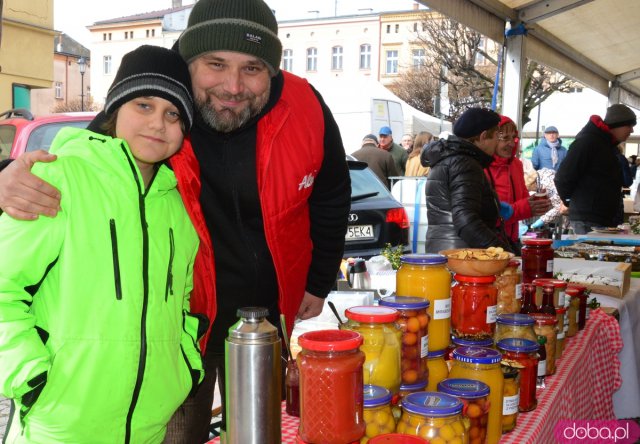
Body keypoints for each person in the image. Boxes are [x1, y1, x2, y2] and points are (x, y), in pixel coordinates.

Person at [0, 1, 351, 442]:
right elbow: (93, 147)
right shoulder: (164, 105)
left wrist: (318, 282)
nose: (233, 86)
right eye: (215, 64)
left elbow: (333, 193)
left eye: (253, 68)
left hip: (265, 318)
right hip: (181, 323)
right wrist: (5, 177)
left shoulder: (306, 108)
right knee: (177, 433)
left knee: (260, 431)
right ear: (189, 63)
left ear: (273, 72)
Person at [0, 45, 204, 443]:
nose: (158, 124)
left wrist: (184, 365)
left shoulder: (178, 206)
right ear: (114, 111)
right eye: (143, 105)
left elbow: (180, 300)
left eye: (173, 113)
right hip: (60, 426)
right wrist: (30, 378)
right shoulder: (62, 178)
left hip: (149, 426)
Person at [421, 107, 512, 253]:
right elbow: (466, 221)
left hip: (445, 249)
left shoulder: (448, 158)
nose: (497, 142)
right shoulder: (464, 164)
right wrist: (502, 252)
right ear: (483, 136)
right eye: (496, 136)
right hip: (462, 256)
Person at [555, 103, 636, 233]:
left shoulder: (608, 146)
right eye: (629, 125)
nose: (632, 131)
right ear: (617, 124)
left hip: (601, 217)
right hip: (587, 218)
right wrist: (569, 201)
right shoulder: (588, 142)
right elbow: (563, 177)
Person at [485, 116, 551, 252]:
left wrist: (537, 203)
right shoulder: (481, 167)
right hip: (486, 244)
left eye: (514, 137)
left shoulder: (516, 165)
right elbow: (486, 215)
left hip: (510, 240)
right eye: (505, 138)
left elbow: (522, 201)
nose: (511, 143)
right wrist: (524, 208)